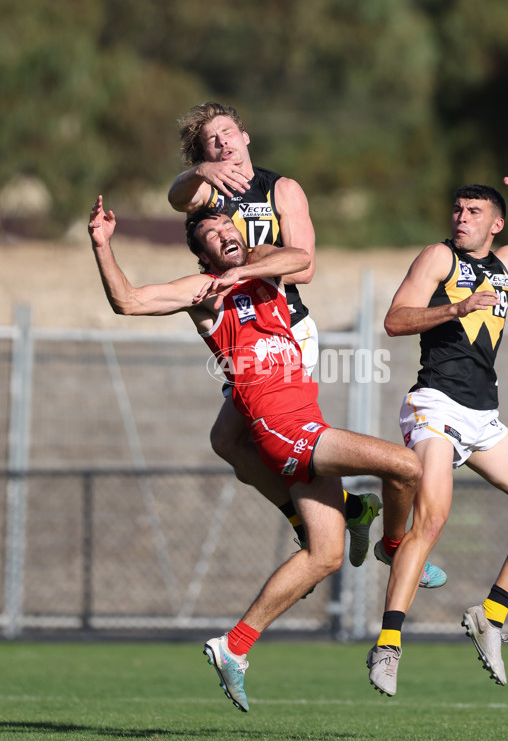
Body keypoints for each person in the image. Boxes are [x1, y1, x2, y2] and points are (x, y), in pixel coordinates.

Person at [88, 197, 423, 712]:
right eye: (212, 233)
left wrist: (247, 267)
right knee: (406, 466)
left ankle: (234, 647)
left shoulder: (265, 262)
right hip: (279, 428)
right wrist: (102, 245)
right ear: (203, 255)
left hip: (308, 422)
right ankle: (395, 548)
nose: (226, 233)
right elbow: (127, 302)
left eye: (228, 224)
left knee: (326, 555)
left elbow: (300, 260)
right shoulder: (203, 292)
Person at [168, 102, 445, 582]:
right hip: (244, 333)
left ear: (246, 136)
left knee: (265, 441)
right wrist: (199, 171)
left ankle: (346, 526)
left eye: (228, 132)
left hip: (285, 330)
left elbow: (307, 266)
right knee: (227, 441)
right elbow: (176, 198)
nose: (223, 143)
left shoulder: (281, 189)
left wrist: (245, 269)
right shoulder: (206, 198)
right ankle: (348, 511)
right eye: (211, 141)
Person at [367, 174, 508, 696]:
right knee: (435, 517)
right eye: (458, 210)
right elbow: (395, 321)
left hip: (482, 414)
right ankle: (389, 645)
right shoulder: (439, 259)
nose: (461, 218)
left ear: (496, 223)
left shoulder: (507, 263)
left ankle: (490, 615)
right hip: (435, 403)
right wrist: (457, 307)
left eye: (472, 212)